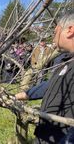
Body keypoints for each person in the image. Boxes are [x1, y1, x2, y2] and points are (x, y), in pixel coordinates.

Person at [15, 13, 74, 143]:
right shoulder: (66, 60)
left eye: (55, 32)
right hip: (48, 133)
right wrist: (23, 94)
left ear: (70, 30)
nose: (53, 38)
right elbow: (51, 84)